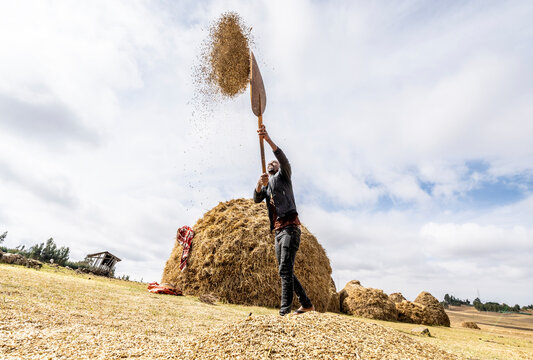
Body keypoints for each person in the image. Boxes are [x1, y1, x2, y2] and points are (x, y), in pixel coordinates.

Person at [253, 125, 314, 316]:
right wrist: (259, 184)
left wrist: (268, 139)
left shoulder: (284, 176)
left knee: (285, 269)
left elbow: (282, 158)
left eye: (274, 163)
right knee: (283, 270)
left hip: (290, 228)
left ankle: (283, 313)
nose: (271, 163)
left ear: (278, 168)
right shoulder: (268, 185)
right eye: (269, 163)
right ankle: (306, 304)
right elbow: (256, 199)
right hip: (278, 232)